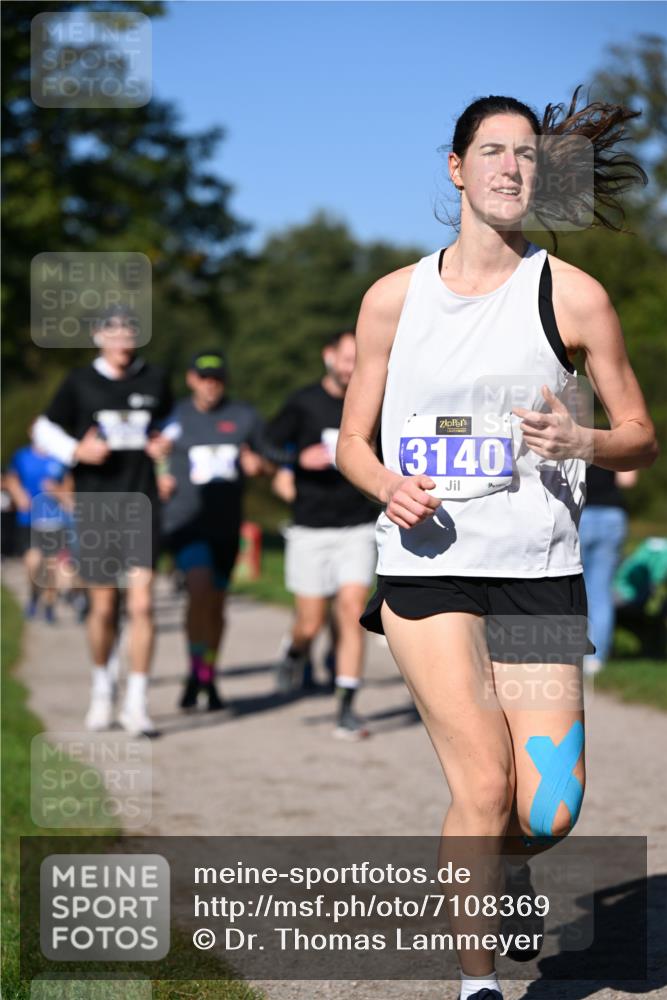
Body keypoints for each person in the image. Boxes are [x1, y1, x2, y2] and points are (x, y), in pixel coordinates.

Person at [336, 91, 658, 1000]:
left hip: (540, 576)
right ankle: (478, 986)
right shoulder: (394, 299)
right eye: (491, 151)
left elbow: (638, 432)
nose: (510, 167)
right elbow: (348, 441)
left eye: (525, 154)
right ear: (456, 168)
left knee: (549, 806)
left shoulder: (571, 294)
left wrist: (583, 442)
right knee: (480, 784)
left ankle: (509, 864)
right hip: (428, 572)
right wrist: (385, 484)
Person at [33, 306, 173, 736]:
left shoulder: (154, 379)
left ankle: (137, 702)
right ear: (98, 335)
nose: (122, 337)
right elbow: (41, 429)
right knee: (104, 606)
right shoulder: (79, 383)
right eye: (113, 330)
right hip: (96, 506)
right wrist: (77, 452)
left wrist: (164, 445)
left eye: (129, 329)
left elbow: (172, 422)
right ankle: (101, 690)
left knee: (142, 603)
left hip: (141, 504)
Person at [266, 330, 379, 740]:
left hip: (358, 525)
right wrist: (297, 458)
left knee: (351, 610)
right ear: (328, 356)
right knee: (311, 622)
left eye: (358, 359)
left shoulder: (372, 399)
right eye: (346, 358)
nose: (351, 367)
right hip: (310, 527)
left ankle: (347, 709)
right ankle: (294, 651)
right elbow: (263, 443)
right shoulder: (303, 403)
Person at [157, 349, 267, 711]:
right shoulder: (175, 417)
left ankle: (206, 673)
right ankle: (197, 670)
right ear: (191, 380)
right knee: (199, 589)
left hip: (225, 522)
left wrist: (258, 464)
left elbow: (268, 455)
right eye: (204, 378)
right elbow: (150, 448)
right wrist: (159, 475)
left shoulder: (243, 416)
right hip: (187, 520)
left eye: (217, 379)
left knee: (217, 605)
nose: (211, 385)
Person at [5, 426, 74, 623]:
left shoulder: (59, 458)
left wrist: (57, 491)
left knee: (51, 566)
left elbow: (69, 491)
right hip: (29, 519)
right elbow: (11, 478)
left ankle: (50, 606)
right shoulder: (22, 456)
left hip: (54, 519)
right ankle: (35, 595)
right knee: (33, 563)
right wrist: (19, 496)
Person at [579, 465, 638, 675]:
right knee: (600, 592)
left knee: (571, 587)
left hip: (579, 514)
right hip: (612, 516)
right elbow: (627, 480)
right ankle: (596, 659)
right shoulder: (615, 435)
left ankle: (567, 653)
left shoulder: (569, 434)